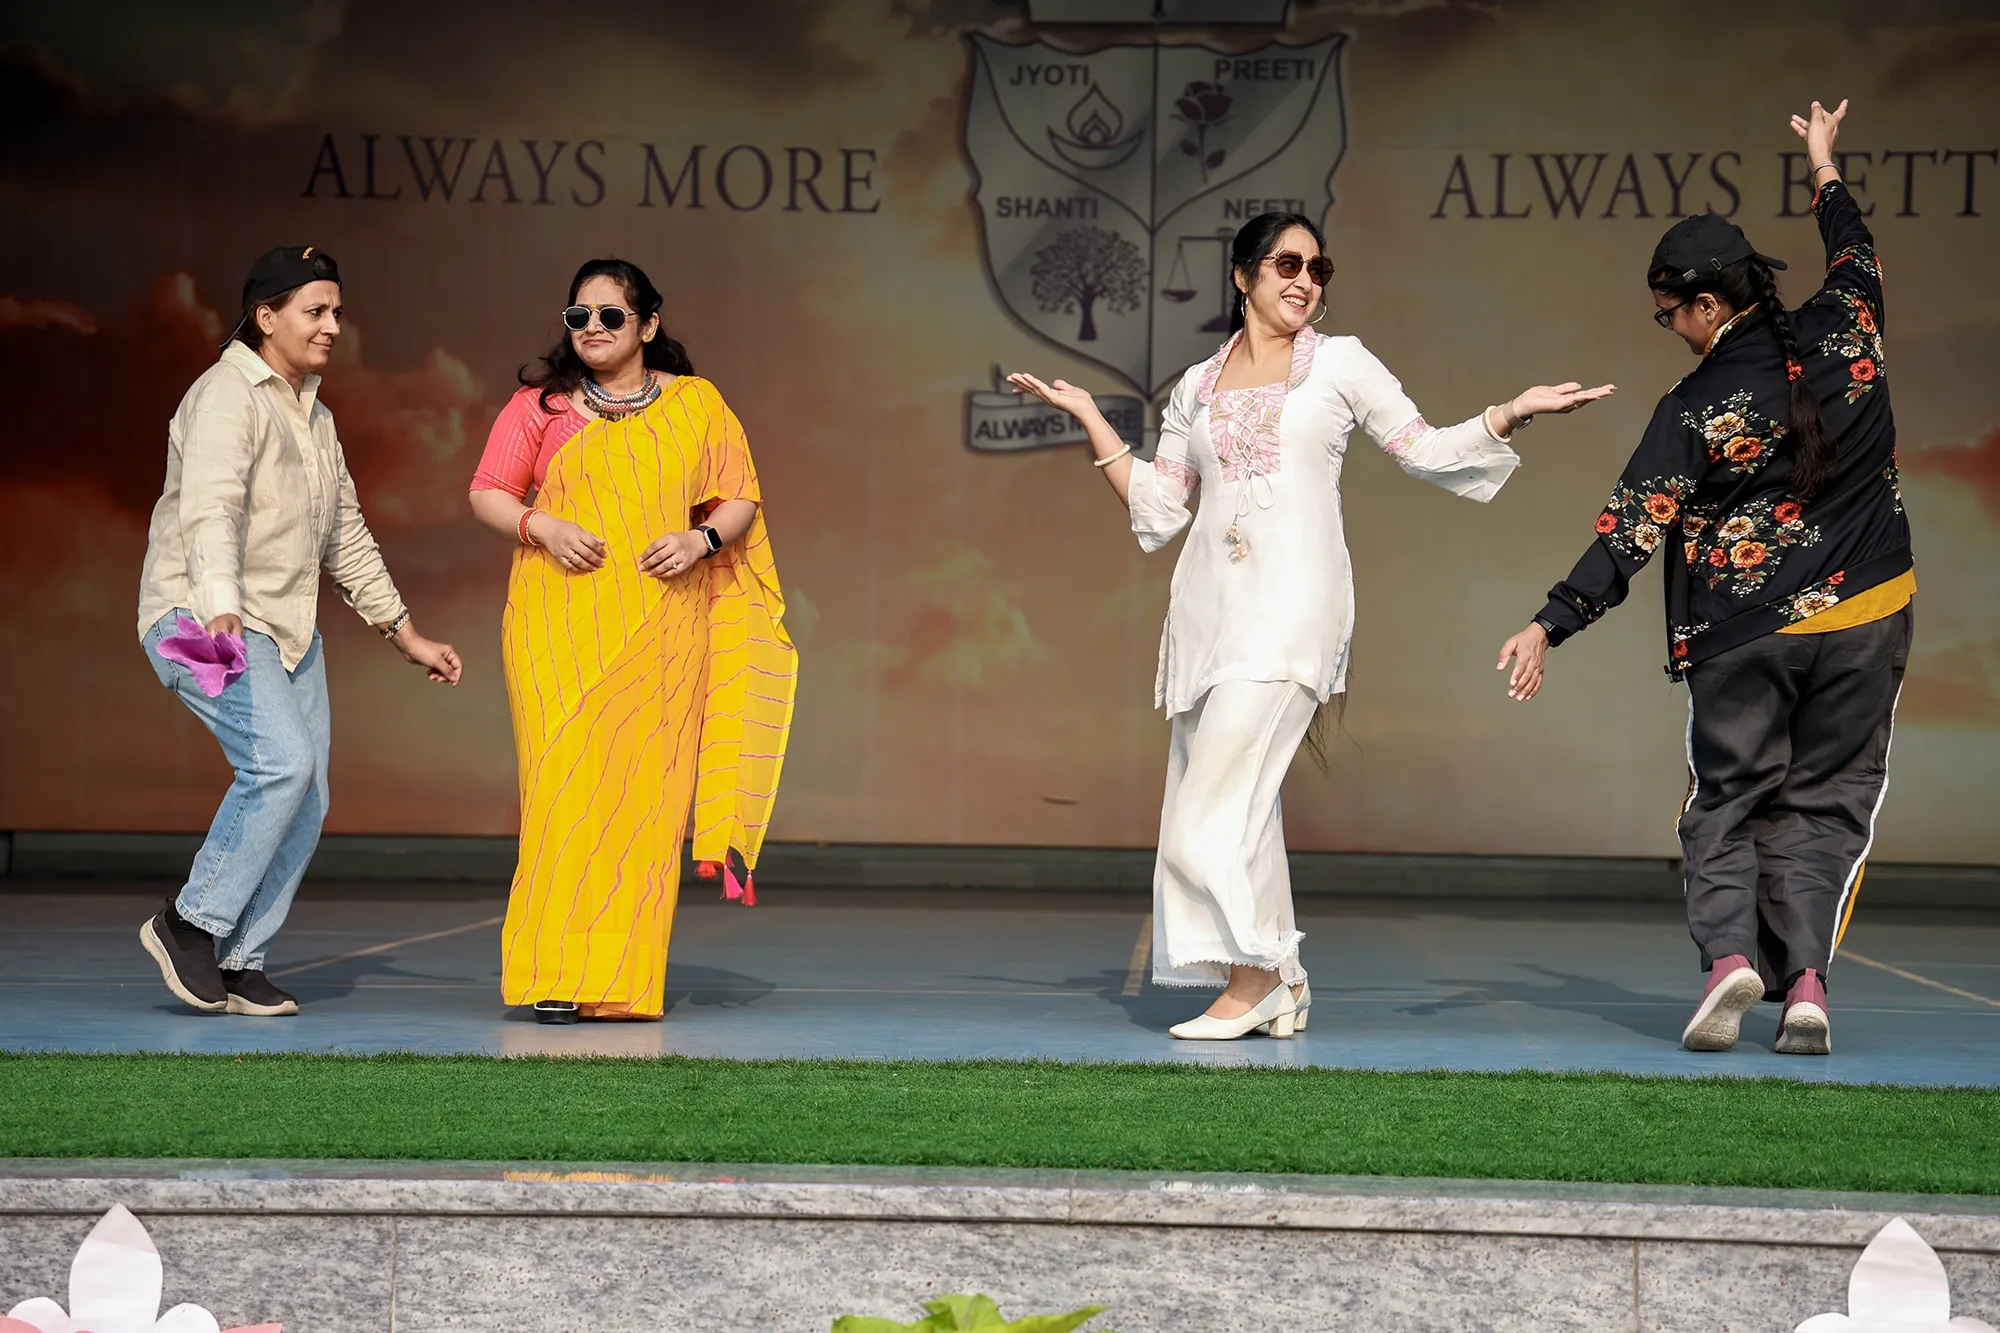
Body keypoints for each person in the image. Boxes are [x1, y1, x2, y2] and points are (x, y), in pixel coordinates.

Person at [1010, 212, 1612, 1040]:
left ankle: (1256, 976)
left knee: (1205, 815)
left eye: (1318, 268)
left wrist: (1512, 410)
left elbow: (1426, 450)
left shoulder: (1341, 363)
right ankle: (1282, 983)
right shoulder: (1197, 385)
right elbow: (1161, 506)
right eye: (1287, 264)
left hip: (1294, 606)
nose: (1305, 280)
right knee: (1243, 811)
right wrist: (1089, 414)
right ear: (1243, 276)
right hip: (1209, 614)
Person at [1496, 101, 1909, 1057]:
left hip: (1746, 632)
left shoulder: (1696, 403)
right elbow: (1855, 246)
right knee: (1828, 802)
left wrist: (1549, 623)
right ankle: (1806, 984)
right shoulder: (1851, 323)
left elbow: (1631, 529)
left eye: (1668, 312)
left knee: (1726, 799)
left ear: (1710, 306)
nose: (1668, 327)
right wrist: (1821, 163)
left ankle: (1729, 961)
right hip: (1869, 616)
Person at [137, 245, 463, 1018]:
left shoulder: (315, 416)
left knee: (307, 793)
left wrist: (405, 633)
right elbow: (210, 509)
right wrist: (219, 603)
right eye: (315, 311)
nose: (332, 326)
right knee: (280, 763)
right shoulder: (225, 395)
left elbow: (345, 535)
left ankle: (239, 957)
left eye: (337, 312)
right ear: (266, 315)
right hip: (196, 621)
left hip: (285, 632)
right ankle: (188, 922)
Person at [469, 258, 795, 1023]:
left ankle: (619, 980)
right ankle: (555, 974)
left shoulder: (696, 404)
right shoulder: (539, 407)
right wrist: (542, 526)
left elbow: (740, 496)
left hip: (665, 630)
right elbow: (488, 492)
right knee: (560, 798)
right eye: (578, 316)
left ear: (648, 324)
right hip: (556, 627)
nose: (592, 328)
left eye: (610, 315)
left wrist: (701, 540)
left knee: (646, 805)